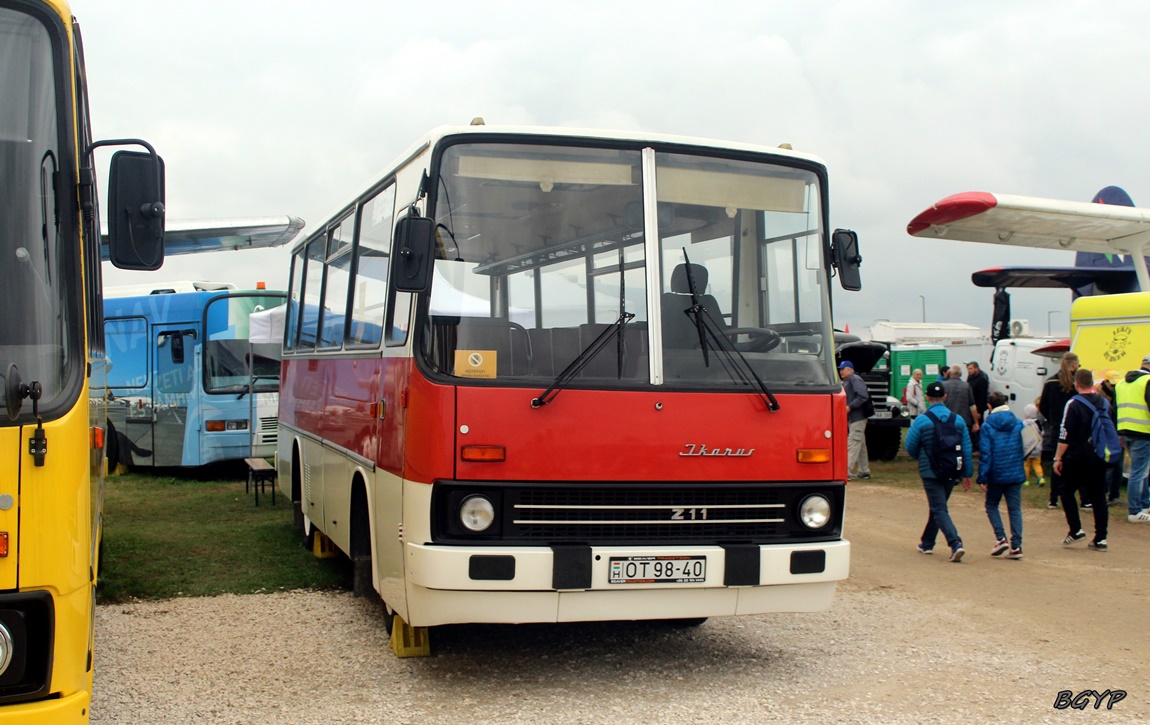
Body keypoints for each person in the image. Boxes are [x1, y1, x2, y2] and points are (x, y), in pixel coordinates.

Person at [906, 380, 974, 562]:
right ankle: (927, 543)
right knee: (939, 507)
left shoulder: (922, 420)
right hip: (952, 469)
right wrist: (967, 473)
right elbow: (966, 448)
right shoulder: (958, 420)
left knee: (939, 508)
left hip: (930, 471)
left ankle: (955, 543)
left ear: (927, 398)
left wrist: (921, 458)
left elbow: (910, 445)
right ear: (945, 397)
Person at [1053, 368, 1110, 551]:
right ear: (1092, 383)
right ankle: (1101, 538)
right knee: (1098, 495)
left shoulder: (1073, 404)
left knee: (1066, 490)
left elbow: (1065, 433)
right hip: (1099, 455)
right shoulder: (1104, 402)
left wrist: (1058, 457)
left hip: (1077, 456)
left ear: (1076, 384)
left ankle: (1076, 529)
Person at [977, 391, 1025, 559]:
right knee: (1014, 509)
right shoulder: (1019, 423)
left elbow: (986, 453)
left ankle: (1001, 537)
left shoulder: (987, 426)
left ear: (990, 406)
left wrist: (982, 476)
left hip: (996, 473)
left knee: (991, 505)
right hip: (1015, 471)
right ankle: (1017, 545)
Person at [1039, 352, 1082, 510]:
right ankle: (1084, 499)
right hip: (1075, 428)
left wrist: (1051, 419)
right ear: (1073, 364)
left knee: (1057, 461)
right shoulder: (1076, 383)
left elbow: (1042, 405)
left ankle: (1053, 498)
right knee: (1079, 462)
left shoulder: (1050, 381)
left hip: (1057, 427)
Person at [1115, 354, 1150, 522]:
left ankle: (1144, 504)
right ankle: (1135, 511)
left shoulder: (1122, 383)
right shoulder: (1147, 381)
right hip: (1143, 431)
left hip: (1125, 430)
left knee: (1141, 470)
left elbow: (1116, 408)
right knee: (1138, 472)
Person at [839, 360, 871, 479]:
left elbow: (863, 396)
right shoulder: (848, 381)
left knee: (853, 443)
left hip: (857, 417)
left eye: (843, 368)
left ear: (850, 370)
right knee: (860, 443)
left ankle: (846, 470)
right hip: (854, 417)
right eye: (841, 369)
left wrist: (850, 407)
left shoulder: (855, 379)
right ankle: (864, 471)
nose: (841, 371)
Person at [1098, 377, 1126, 509]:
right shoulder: (1102, 402)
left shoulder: (1115, 400)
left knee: (1116, 467)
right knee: (1109, 467)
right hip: (1108, 437)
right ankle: (1104, 494)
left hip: (1116, 435)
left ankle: (1113, 495)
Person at [942, 364, 979, 440]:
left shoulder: (943, 385)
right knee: (964, 443)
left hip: (947, 420)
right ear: (961, 374)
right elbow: (972, 406)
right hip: (964, 420)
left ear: (950, 373)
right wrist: (976, 422)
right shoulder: (967, 386)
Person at [966, 361, 990, 451]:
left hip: (978, 407)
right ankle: (975, 445)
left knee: (978, 427)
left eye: (971, 369)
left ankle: (979, 447)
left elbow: (982, 397)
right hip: (972, 406)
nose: (969, 371)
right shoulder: (971, 377)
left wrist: (979, 411)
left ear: (976, 368)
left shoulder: (982, 379)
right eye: (968, 369)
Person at [1022, 404, 1045, 487]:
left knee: (1026, 464)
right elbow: (1042, 433)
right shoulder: (1038, 422)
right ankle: (1040, 477)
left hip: (1028, 448)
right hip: (1038, 448)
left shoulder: (1024, 423)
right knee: (1037, 464)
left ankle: (1026, 480)